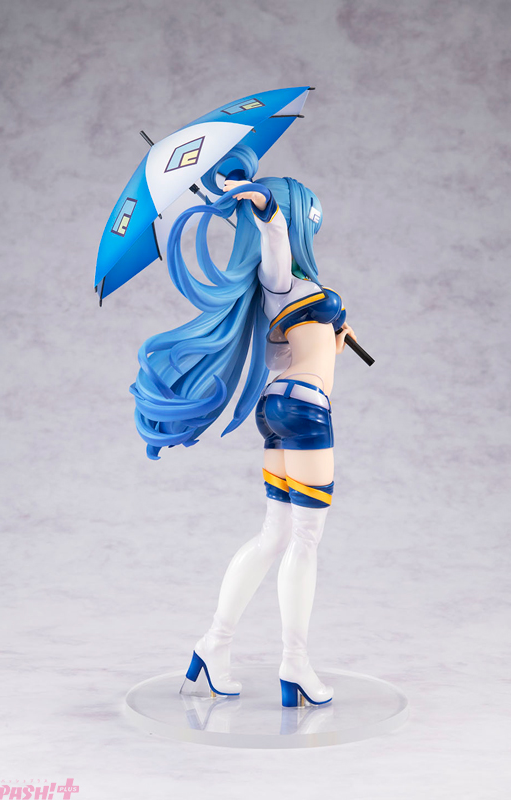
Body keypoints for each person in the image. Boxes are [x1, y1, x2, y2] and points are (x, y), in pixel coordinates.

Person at [130, 145, 356, 707]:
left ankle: (213, 647)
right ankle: (295, 665)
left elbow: (289, 356)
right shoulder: (278, 275)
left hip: (280, 406)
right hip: (305, 409)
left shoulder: (285, 289)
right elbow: (274, 235)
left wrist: (334, 338)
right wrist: (256, 201)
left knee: (274, 536)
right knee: (305, 540)